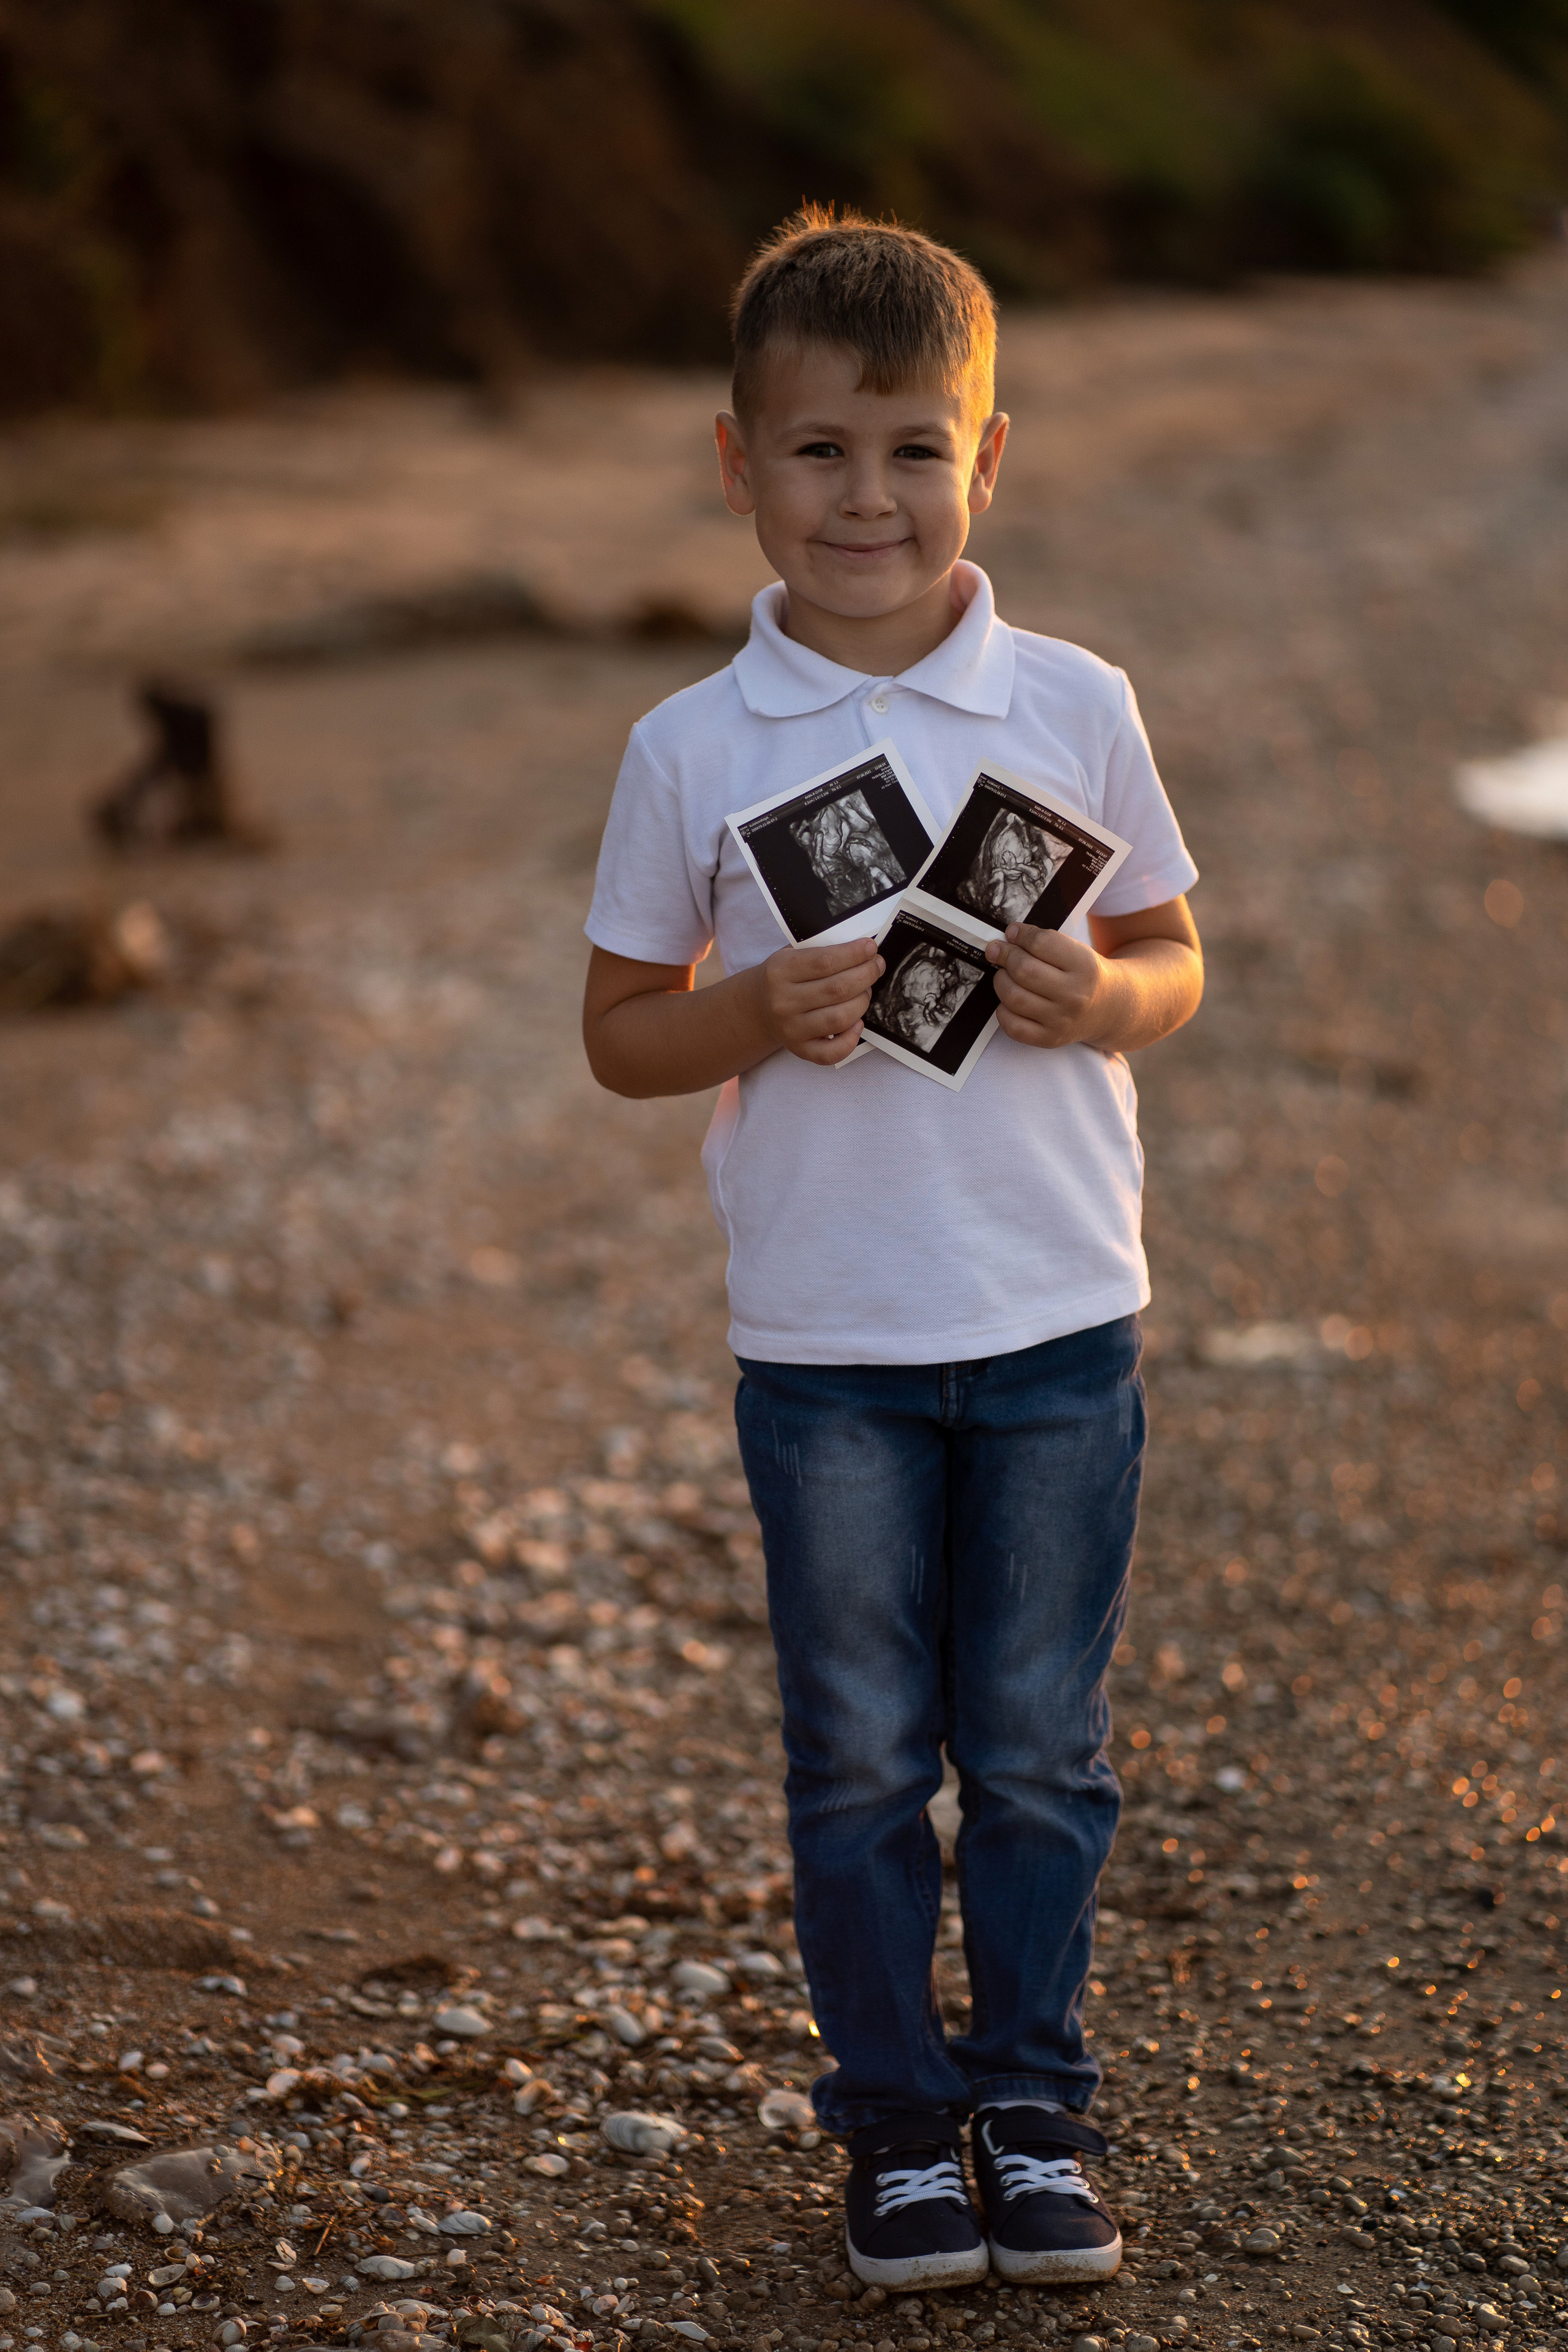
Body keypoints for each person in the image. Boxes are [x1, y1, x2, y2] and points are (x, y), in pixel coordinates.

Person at [582, 206, 1202, 2290]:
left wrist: (1097, 1002)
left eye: (914, 448)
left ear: (991, 460)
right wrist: (751, 1009)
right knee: (856, 1758)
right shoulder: (694, 749)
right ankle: (896, 2128)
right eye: (821, 450)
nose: (870, 495)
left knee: (1035, 1749)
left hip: (1055, 1321)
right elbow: (619, 1033)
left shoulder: (1075, 700)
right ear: (736, 463)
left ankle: (1032, 2103)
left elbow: (1176, 958)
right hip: (829, 1339)